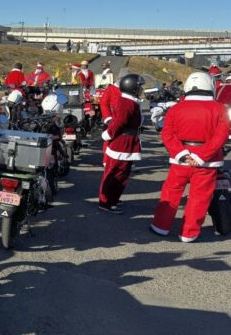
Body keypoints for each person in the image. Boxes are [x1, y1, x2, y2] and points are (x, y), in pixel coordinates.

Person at [150, 72, 229, 242]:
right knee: (199, 198)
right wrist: (201, 156)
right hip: (207, 163)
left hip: (180, 160)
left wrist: (182, 154)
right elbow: (221, 136)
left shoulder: (176, 108)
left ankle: (161, 226)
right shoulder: (220, 109)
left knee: (170, 193)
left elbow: (167, 134)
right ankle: (189, 233)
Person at [98, 73, 143, 213]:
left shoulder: (129, 101)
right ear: (132, 87)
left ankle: (113, 198)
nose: (141, 89)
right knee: (114, 173)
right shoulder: (126, 103)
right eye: (139, 86)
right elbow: (118, 123)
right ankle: (106, 201)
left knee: (122, 173)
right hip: (121, 142)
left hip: (127, 141)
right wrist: (109, 134)